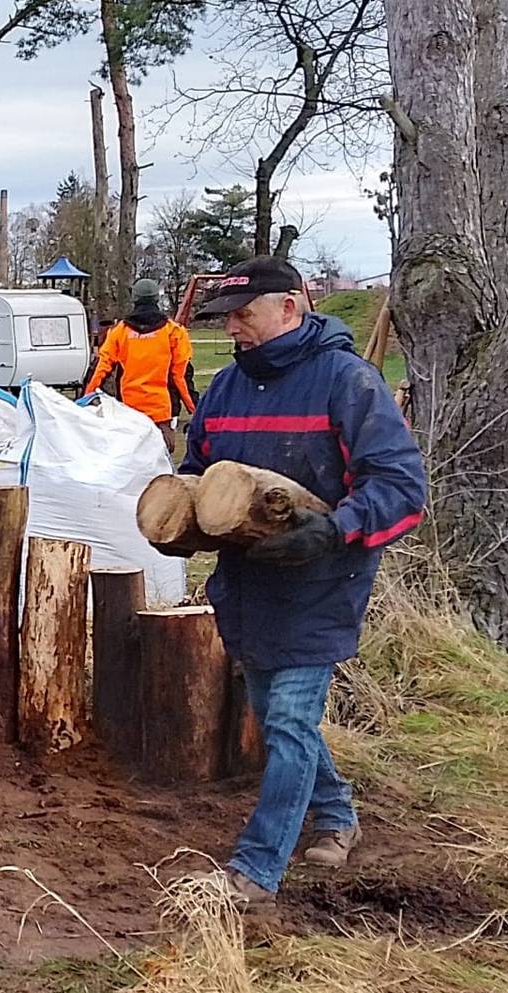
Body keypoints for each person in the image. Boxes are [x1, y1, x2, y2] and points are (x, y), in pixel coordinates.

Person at [171, 257, 427, 904]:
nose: (233, 328)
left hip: (324, 580)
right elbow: (199, 470)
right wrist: (180, 512)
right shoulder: (225, 389)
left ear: (289, 308)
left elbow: (401, 487)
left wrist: (335, 529)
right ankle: (337, 813)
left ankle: (255, 870)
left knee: (287, 719)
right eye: (227, 317)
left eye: (244, 314)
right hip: (249, 585)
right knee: (276, 716)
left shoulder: (349, 383)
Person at [83, 279, 197, 453]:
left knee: (130, 463)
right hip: (161, 414)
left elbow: (101, 369)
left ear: (134, 299)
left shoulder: (119, 332)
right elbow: (181, 377)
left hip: (129, 413)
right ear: (156, 299)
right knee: (162, 465)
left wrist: (84, 400)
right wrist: (195, 410)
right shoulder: (173, 332)